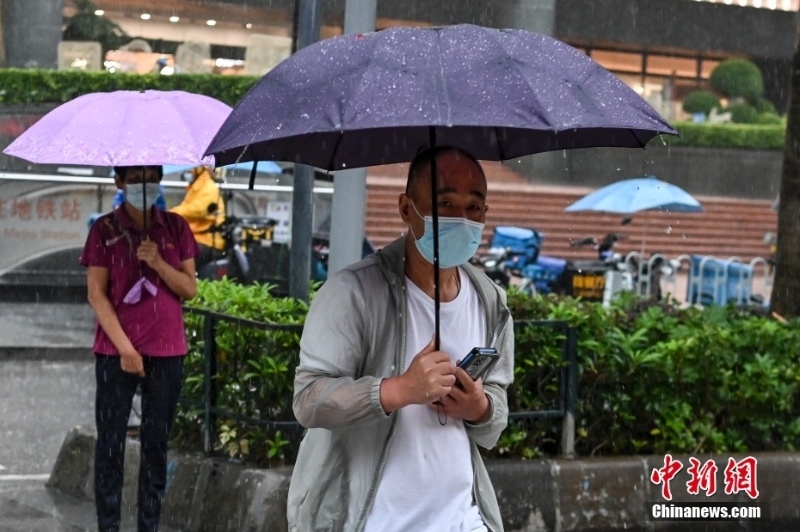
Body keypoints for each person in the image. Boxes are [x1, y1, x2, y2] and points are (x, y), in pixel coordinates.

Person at [288, 147, 515, 532]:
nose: (460, 218)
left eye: (473, 208)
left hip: (464, 519)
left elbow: (496, 412)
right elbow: (309, 400)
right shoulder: (353, 292)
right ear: (407, 209)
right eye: (444, 203)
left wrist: (478, 406)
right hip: (371, 520)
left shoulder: (490, 300)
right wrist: (399, 390)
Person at [80, 165, 199, 532]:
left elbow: (189, 288)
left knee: (156, 446)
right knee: (111, 446)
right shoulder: (104, 230)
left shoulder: (176, 227)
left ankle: (149, 524)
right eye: (135, 179)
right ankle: (109, 525)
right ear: (119, 182)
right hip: (115, 353)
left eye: (151, 178)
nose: (144, 187)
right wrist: (126, 350)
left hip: (168, 352)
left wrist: (158, 262)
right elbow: (96, 294)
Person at [170, 165, 225, 269]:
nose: (190, 171)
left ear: (199, 169)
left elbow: (196, 210)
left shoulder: (208, 187)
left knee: (183, 261)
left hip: (208, 241)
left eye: (193, 168)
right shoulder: (197, 186)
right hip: (196, 238)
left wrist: (171, 213)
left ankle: (186, 283)